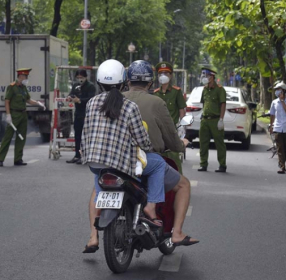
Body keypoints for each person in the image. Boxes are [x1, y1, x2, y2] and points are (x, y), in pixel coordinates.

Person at [81, 60, 197, 253]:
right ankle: (158, 213)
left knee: (97, 189)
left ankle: (93, 236)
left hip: (96, 162)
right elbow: (143, 140)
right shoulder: (131, 105)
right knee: (160, 165)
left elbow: (86, 132)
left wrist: (85, 153)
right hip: (126, 162)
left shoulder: (92, 102)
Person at [124, 60, 197, 245]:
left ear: (128, 80)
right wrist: (180, 145)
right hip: (146, 158)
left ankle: (93, 234)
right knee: (183, 185)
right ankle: (177, 232)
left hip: (115, 159)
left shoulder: (115, 98)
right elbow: (171, 136)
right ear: (150, 83)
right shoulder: (156, 101)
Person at [0, 68, 45, 167]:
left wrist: (38, 103)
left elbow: (28, 100)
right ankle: (0, 159)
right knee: (7, 137)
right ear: (20, 77)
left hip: (23, 115)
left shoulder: (23, 88)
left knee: (21, 138)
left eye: (27, 76)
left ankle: (18, 159)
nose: (26, 78)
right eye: (25, 76)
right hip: (14, 115)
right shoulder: (11, 87)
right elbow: (7, 101)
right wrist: (8, 115)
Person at [198, 67, 227, 172]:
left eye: (206, 76)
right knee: (203, 143)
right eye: (203, 76)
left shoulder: (219, 89)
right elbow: (204, 103)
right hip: (205, 120)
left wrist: (221, 119)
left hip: (215, 120)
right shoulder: (204, 89)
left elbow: (223, 104)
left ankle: (222, 165)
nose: (204, 78)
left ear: (212, 77)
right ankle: (203, 164)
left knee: (219, 143)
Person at [66, 70, 97, 164]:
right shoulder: (75, 85)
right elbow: (71, 94)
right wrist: (69, 98)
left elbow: (91, 99)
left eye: (81, 77)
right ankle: (77, 155)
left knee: (86, 136)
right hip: (78, 114)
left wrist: (79, 100)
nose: (80, 79)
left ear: (85, 77)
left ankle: (85, 156)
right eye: (78, 77)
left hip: (87, 114)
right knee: (77, 135)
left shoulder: (90, 86)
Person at [269, 82, 286, 174]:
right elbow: (272, 114)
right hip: (277, 127)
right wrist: (271, 125)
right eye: (276, 90)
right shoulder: (274, 102)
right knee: (280, 148)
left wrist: (282, 101)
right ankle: (282, 166)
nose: (277, 91)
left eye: (279, 90)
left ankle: (283, 164)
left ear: (284, 91)